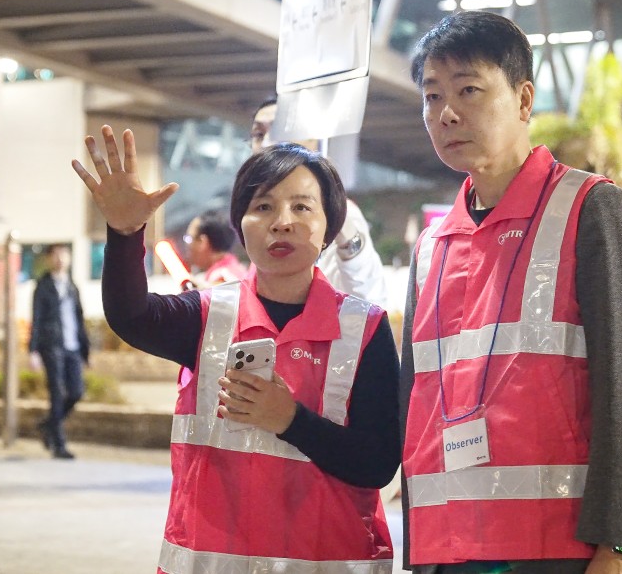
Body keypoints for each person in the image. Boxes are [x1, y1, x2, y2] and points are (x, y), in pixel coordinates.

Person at [399, 11, 622, 574]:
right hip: (446, 550)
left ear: (523, 100)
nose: (446, 112)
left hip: (558, 549)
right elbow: (414, 408)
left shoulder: (590, 208)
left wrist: (620, 545)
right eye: (431, 95)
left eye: (468, 89)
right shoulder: (431, 248)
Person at [73, 127, 399, 573]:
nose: (281, 221)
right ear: (240, 225)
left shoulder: (367, 329)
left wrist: (291, 420)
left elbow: (378, 463)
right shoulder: (205, 316)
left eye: (302, 206)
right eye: (262, 206)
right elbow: (130, 315)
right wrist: (125, 233)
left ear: (330, 227)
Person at [251, 96, 387, 306]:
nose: (268, 142)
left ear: (313, 141)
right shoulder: (251, 215)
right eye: (259, 134)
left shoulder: (339, 214)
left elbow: (369, 303)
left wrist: (345, 234)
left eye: (280, 132)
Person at [28, 243, 90, 460]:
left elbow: (79, 319)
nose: (60, 259)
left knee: (76, 392)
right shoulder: (43, 286)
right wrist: (33, 350)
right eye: (55, 255)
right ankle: (59, 444)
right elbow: (35, 319)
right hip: (51, 345)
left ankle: (48, 425)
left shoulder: (72, 286)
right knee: (56, 393)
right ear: (48, 259)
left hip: (72, 346)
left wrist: (85, 350)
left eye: (64, 255)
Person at [184, 209, 247, 286]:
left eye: (189, 238)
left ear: (202, 242)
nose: (187, 245)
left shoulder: (222, 278)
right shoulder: (238, 269)